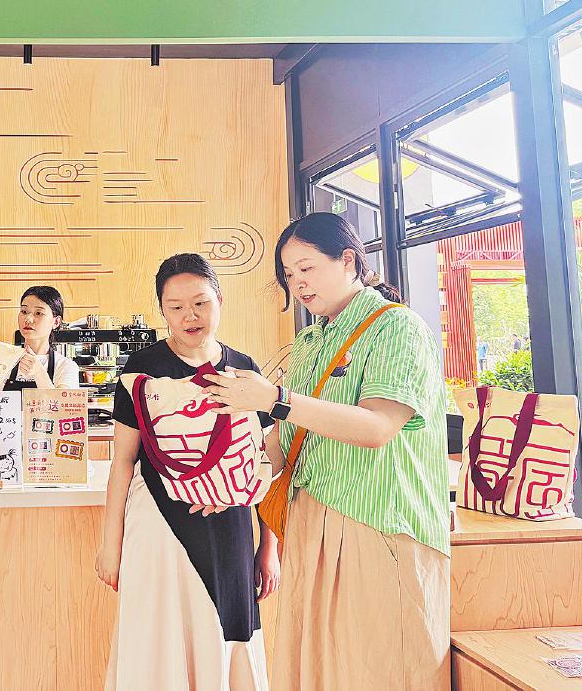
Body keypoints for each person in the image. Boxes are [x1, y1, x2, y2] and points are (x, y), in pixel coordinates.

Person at [204, 213, 450, 690]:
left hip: (378, 521)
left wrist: (275, 399)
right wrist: (230, 483)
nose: (297, 283)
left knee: (377, 671)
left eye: (307, 268)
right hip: (311, 520)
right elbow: (285, 442)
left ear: (348, 261)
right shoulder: (311, 340)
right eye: (288, 274)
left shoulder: (397, 328)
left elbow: (379, 426)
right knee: (316, 671)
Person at [98, 253, 279, 691]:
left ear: (220, 299)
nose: (189, 316)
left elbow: (268, 460)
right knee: (159, 633)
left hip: (231, 524)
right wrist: (110, 543)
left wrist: (269, 546)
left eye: (200, 303)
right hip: (158, 522)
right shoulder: (141, 370)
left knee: (229, 631)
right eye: (176, 306)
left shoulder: (245, 371)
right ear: (162, 310)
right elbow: (123, 461)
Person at [4, 285, 80, 390]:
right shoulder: (4, 361)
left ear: (56, 322)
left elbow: (62, 400)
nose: (28, 319)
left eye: (38, 313)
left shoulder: (65, 366)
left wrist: (39, 372)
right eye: (24, 311)